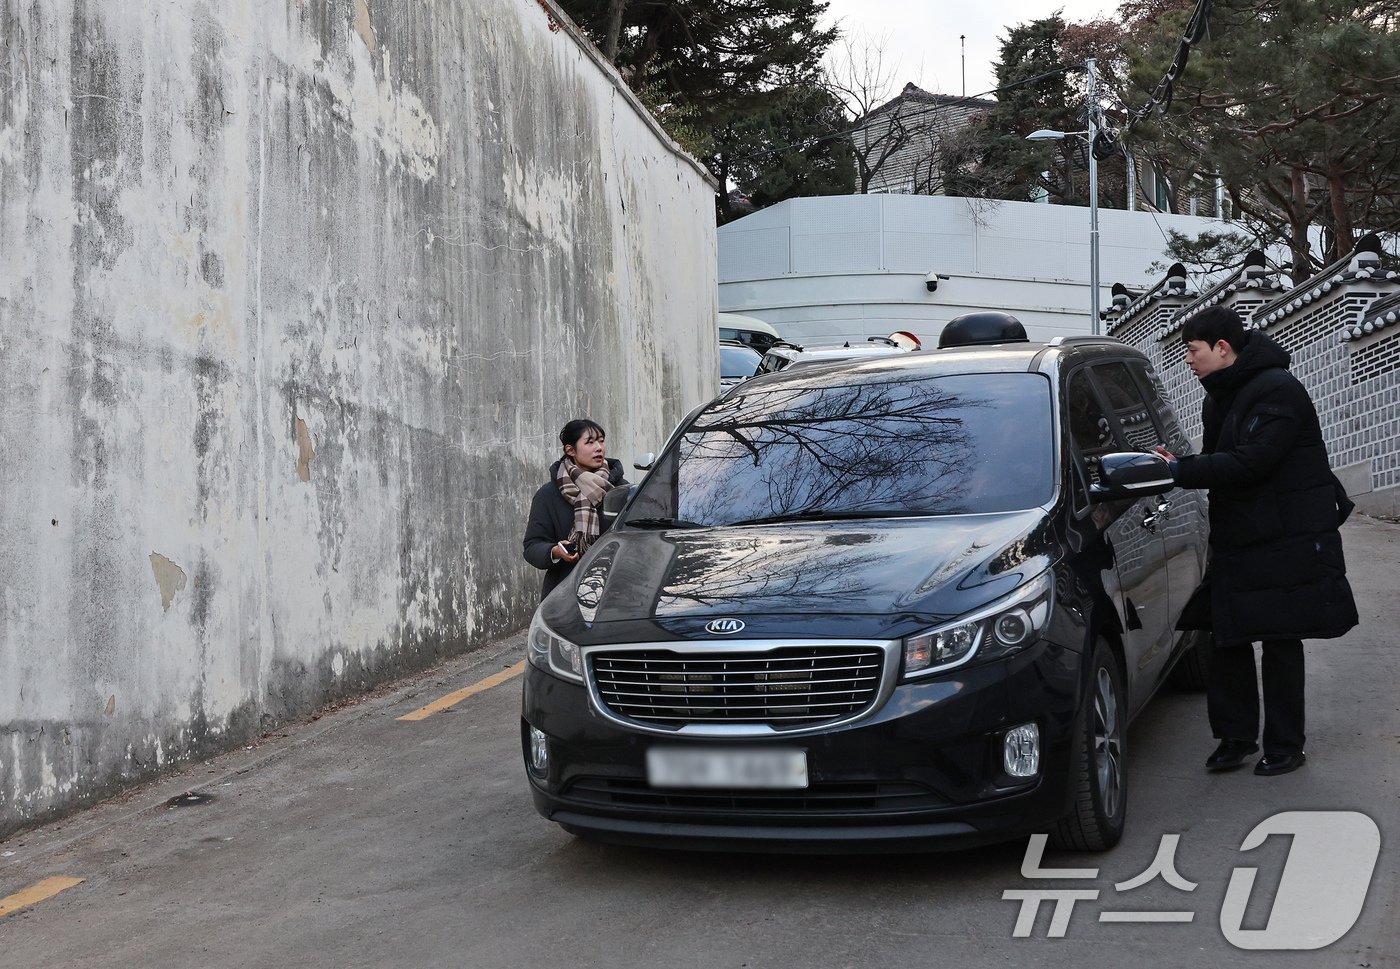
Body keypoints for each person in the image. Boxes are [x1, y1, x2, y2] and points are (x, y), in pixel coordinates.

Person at [1153, 306, 1357, 776]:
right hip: (1239, 533)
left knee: (1280, 639)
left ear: (1223, 348)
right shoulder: (1217, 396)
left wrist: (1180, 471)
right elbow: (1221, 459)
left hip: (1286, 535)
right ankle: (1234, 739)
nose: (1188, 360)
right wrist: (1180, 462)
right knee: (1227, 636)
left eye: (1193, 350)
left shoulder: (1278, 390)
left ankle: (1285, 745)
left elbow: (1252, 462)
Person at [523, 419, 626, 601]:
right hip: (564, 594)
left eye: (601, 440)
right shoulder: (548, 495)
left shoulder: (622, 490)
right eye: (590, 442)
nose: (599, 448)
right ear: (570, 450)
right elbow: (532, 546)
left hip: (617, 591)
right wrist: (555, 551)